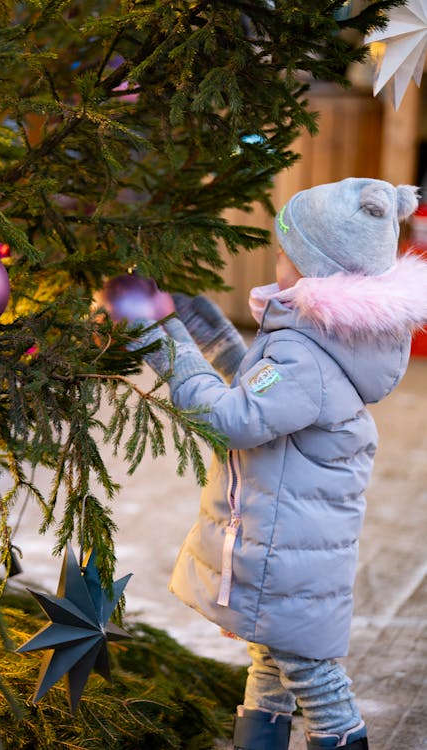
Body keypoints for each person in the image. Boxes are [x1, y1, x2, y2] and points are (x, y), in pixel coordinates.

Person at [122, 178, 427, 749]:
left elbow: (232, 419)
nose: (276, 259)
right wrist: (208, 331)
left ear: (318, 269)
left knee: (313, 677)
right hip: (291, 544)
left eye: (285, 253)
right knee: (271, 664)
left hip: (285, 552)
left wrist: (164, 339)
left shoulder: (306, 352)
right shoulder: (325, 338)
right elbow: (267, 398)